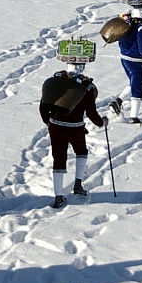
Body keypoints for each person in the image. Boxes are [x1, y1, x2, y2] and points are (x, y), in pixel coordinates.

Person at [40, 65, 107, 209]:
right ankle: (78, 184)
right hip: (75, 127)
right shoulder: (86, 87)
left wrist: (48, 122)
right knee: (81, 152)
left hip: (56, 126)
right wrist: (102, 122)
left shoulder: (55, 82)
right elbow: (91, 112)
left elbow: (43, 106)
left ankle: (58, 196)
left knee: (58, 158)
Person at [109, 11, 142, 123]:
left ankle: (118, 101)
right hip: (136, 61)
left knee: (134, 82)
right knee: (138, 87)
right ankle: (134, 117)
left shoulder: (126, 25)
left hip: (124, 58)